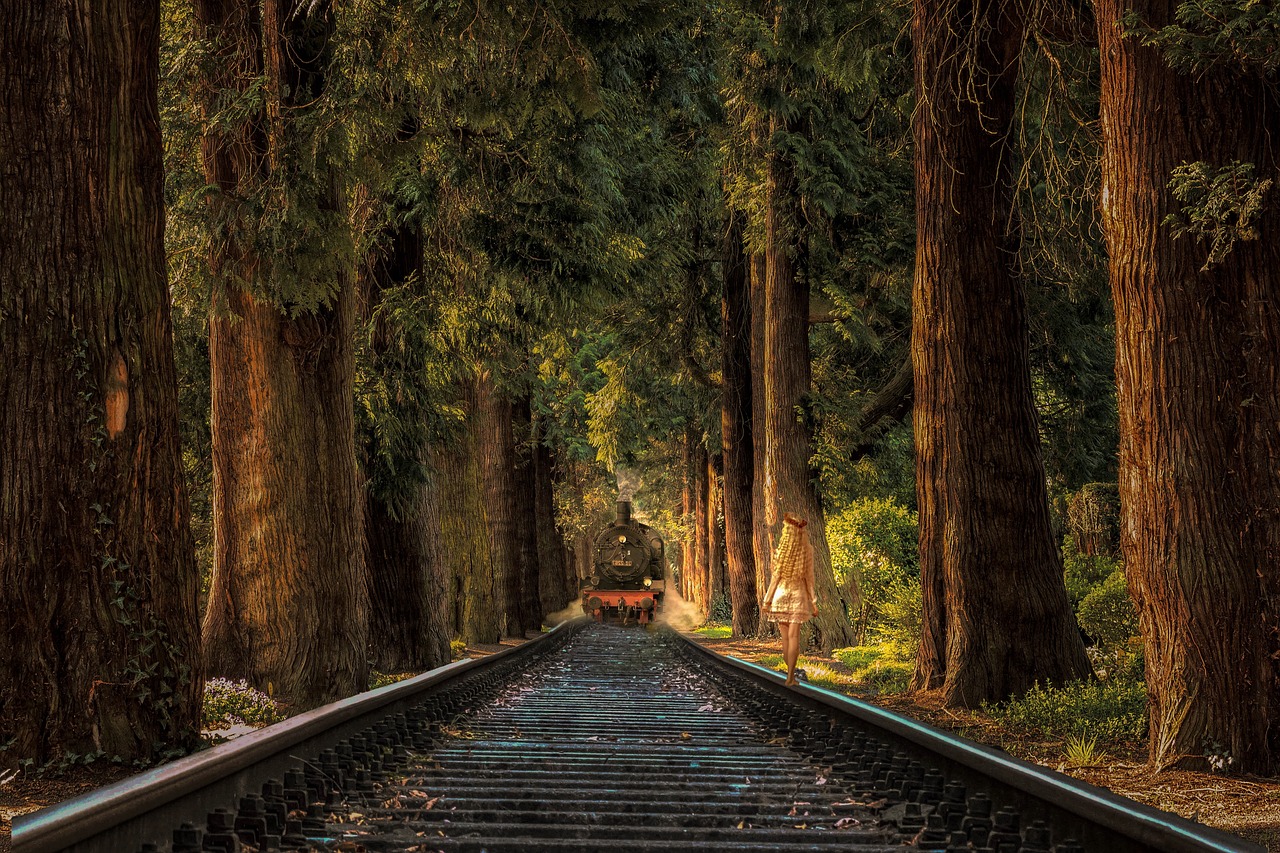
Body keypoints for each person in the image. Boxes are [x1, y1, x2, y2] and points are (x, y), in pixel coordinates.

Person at [761, 513, 818, 686]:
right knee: (794, 638)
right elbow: (809, 580)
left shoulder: (781, 552)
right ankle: (790, 677)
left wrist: (767, 601)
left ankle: (790, 671)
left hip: (780, 596)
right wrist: (813, 602)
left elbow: (775, 579)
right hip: (798, 597)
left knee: (785, 639)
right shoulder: (807, 552)